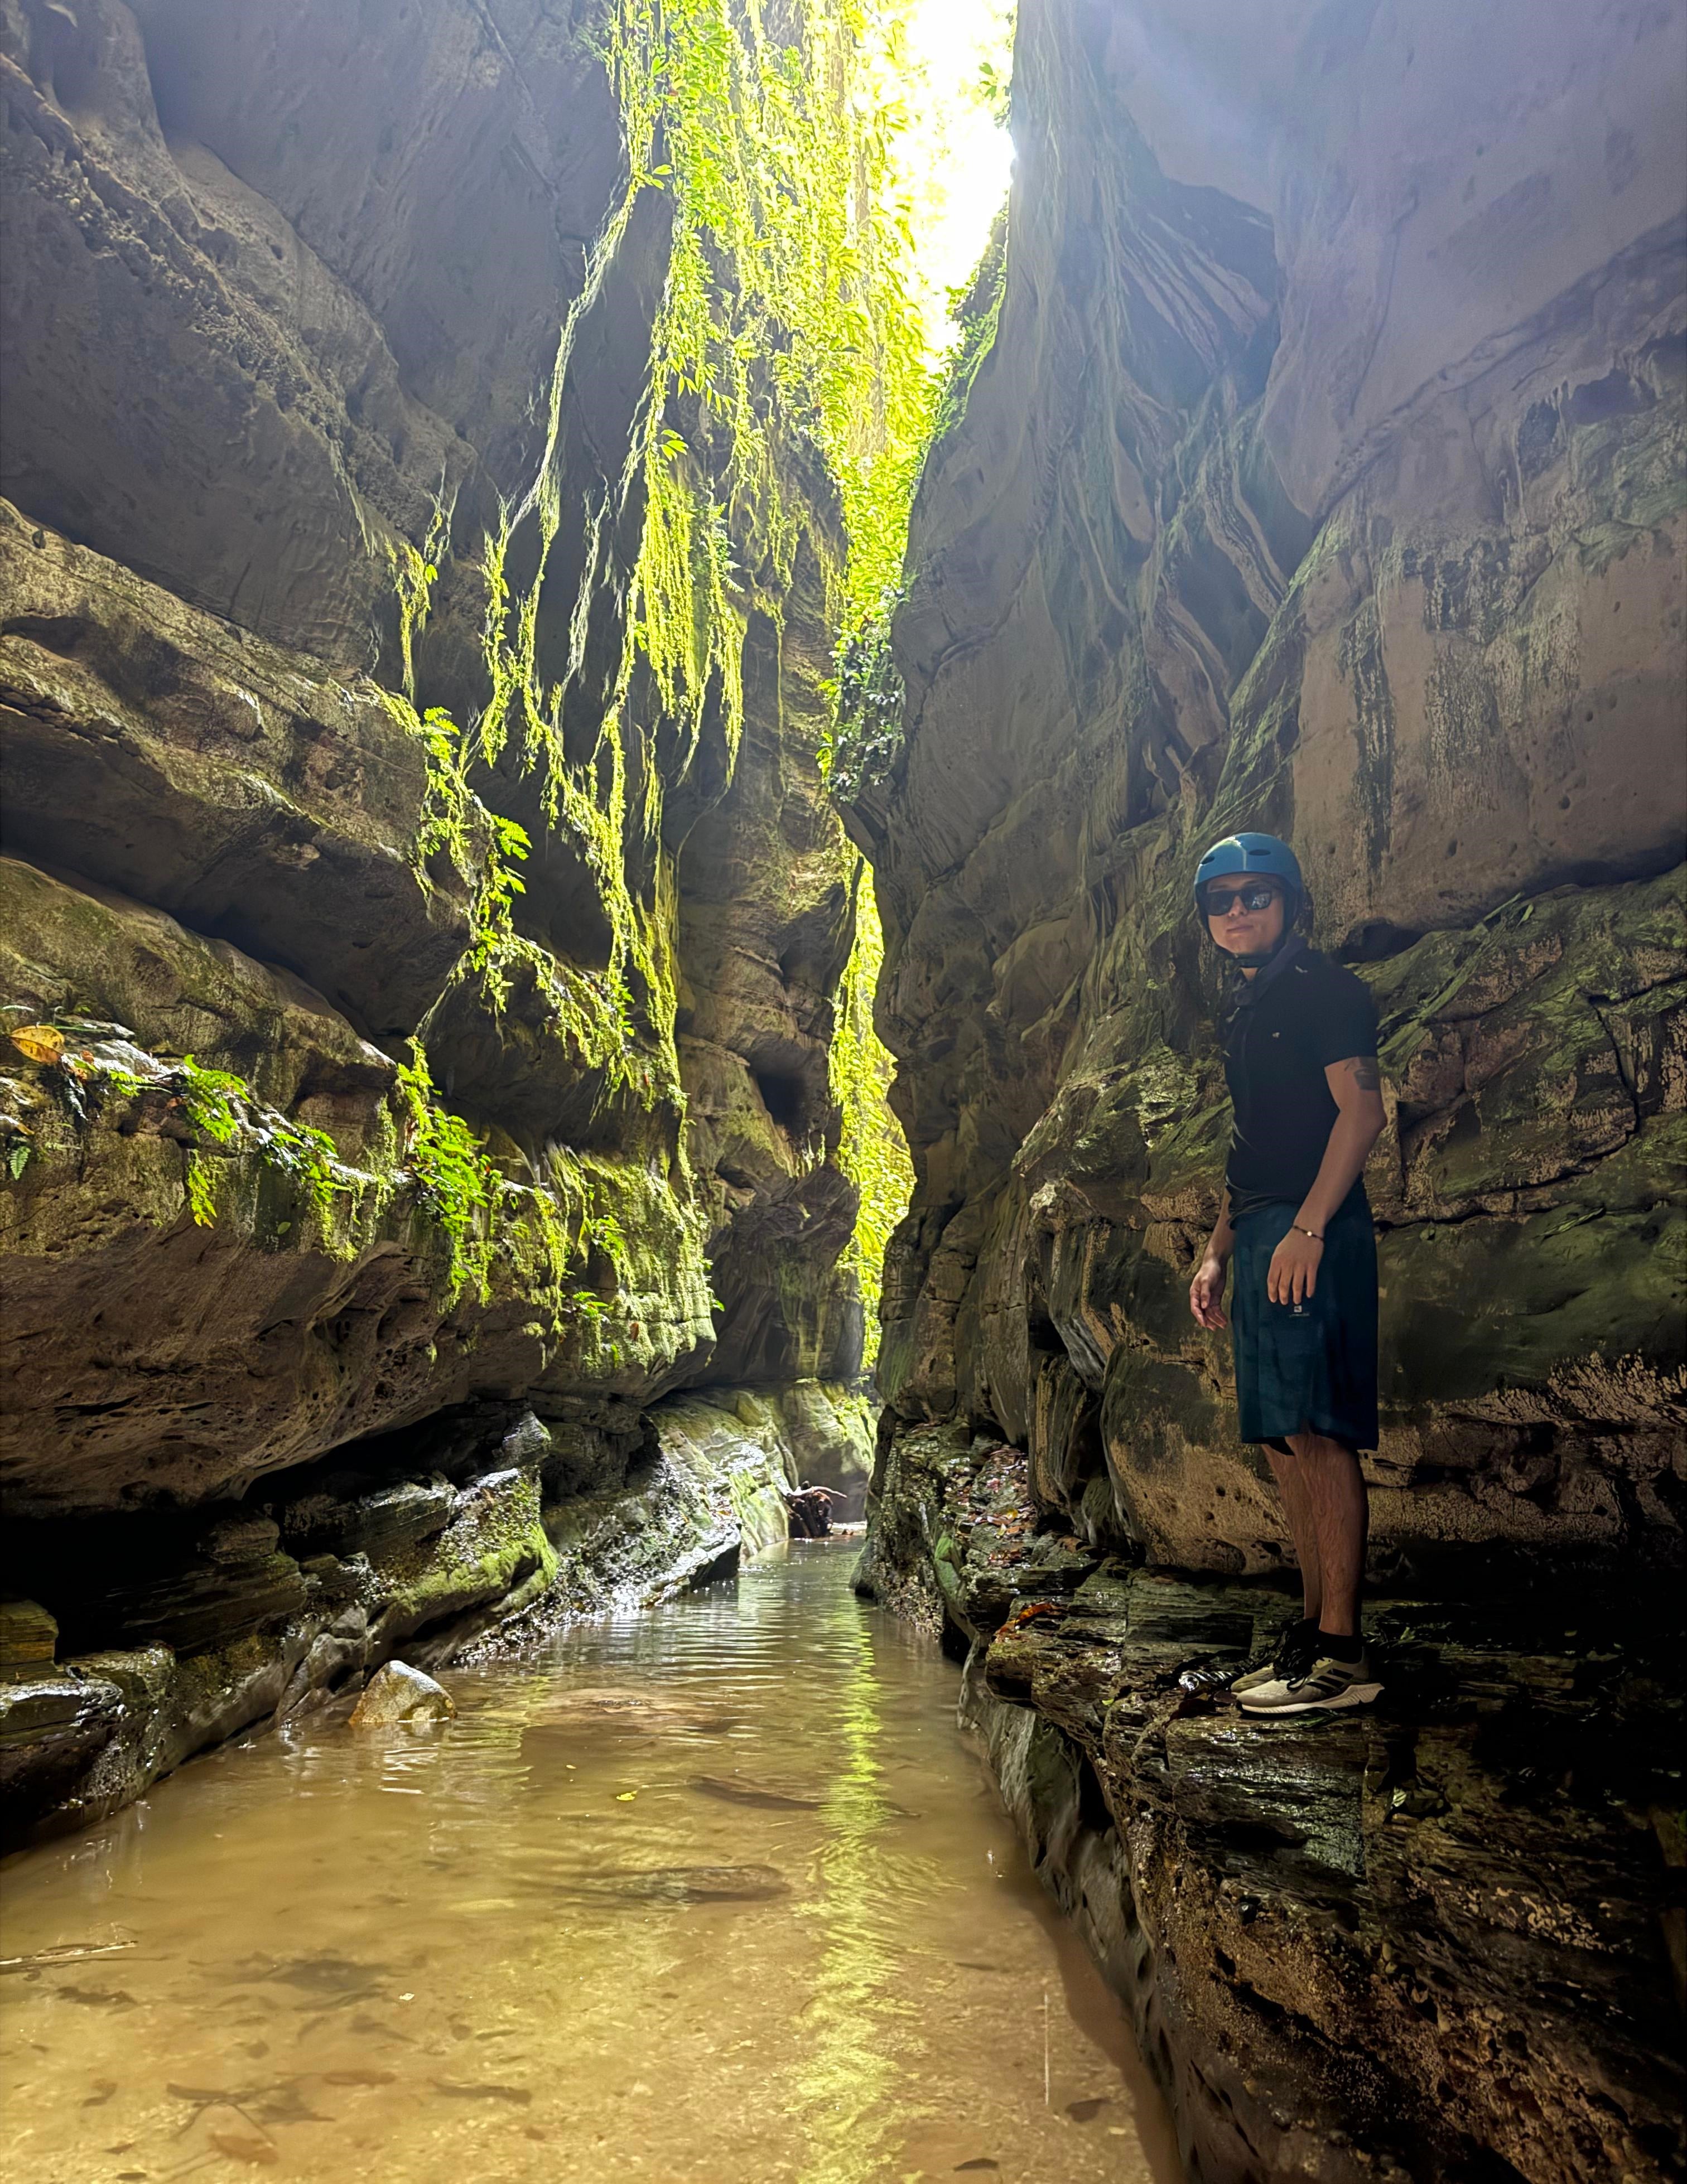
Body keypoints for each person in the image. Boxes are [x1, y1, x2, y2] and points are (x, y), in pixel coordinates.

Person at [1182, 832, 1387, 1715]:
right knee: (1280, 1441)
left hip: (1314, 1232)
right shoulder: (1247, 1005)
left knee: (1317, 1433)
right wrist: (1218, 1249)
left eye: (1254, 895)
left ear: (1289, 902)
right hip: (1264, 1228)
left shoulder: (1326, 992)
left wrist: (1308, 1226)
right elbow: (1250, 1150)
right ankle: (1310, 1637)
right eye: (1221, 900)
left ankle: (1343, 1656)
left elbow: (1364, 1112)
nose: (1237, 911)